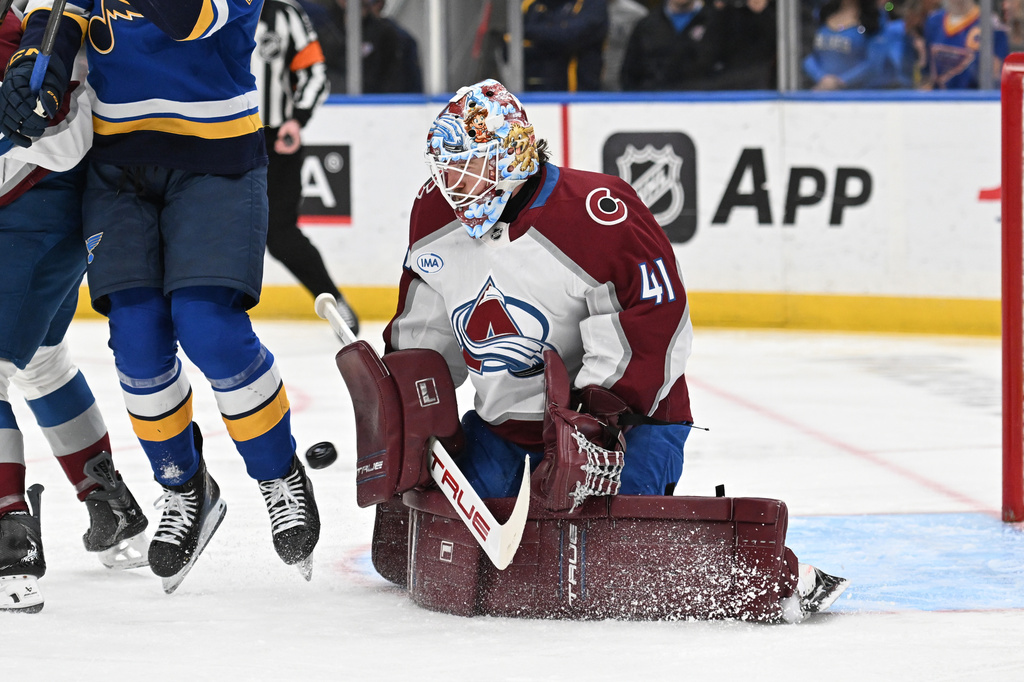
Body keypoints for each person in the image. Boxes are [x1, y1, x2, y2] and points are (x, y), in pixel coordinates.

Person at [374, 78, 848, 620]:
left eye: (471, 166)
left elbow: (656, 325)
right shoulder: (434, 213)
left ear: (513, 158)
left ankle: (779, 573)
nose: (455, 186)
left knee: (616, 562)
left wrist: (592, 424)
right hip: (506, 426)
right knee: (467, 543)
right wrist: (408, 402)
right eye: (446, 169)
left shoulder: (600, 214)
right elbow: (424, 329)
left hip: (629, 425)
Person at [0, 0, 321, 591]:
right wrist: (32, 67)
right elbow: (60, 12)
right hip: (118, 164)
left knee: (208, 327)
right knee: (138, 341)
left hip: (216, 161)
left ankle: (279, 473)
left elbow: (187, 18)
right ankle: (183, 486)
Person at [0, 1, 148, 613]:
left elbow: (61, 132)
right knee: (43, 361)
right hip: (43, 211)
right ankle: (111, 507)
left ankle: (9, 538)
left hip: (36, 212)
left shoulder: (48, 22)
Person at [253, 0, 360, 336]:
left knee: (281, 234)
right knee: (203, 229)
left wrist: (297, 119)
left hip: (273, 140)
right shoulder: (206, 9)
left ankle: (334, 300)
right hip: (214, 139)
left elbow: (315, 73)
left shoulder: (284, 14)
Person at [620, 0, 729, 90]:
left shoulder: (718, 21)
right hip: (653, 105)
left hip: (705, 105)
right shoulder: (646, 25)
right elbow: (629, 75)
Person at [522, 0, 609, 91]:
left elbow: (568, 35)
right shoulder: (536, 4)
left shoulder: (594, 5)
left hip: (582, 92)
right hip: (541, 86)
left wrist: (528, 31)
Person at [922, 0, 1009, 89]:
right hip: (938, 100)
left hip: (973, 100)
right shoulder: (933, 21)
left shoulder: (992, 26)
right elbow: (927, 73)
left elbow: (993, 78)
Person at [802, 0, 887, 90]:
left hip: (857, 94)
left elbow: (874, 63)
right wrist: (822, 78)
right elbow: (808, 55)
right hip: (822, 90)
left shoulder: (874, 18)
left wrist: (841, 81)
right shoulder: (824, 13)